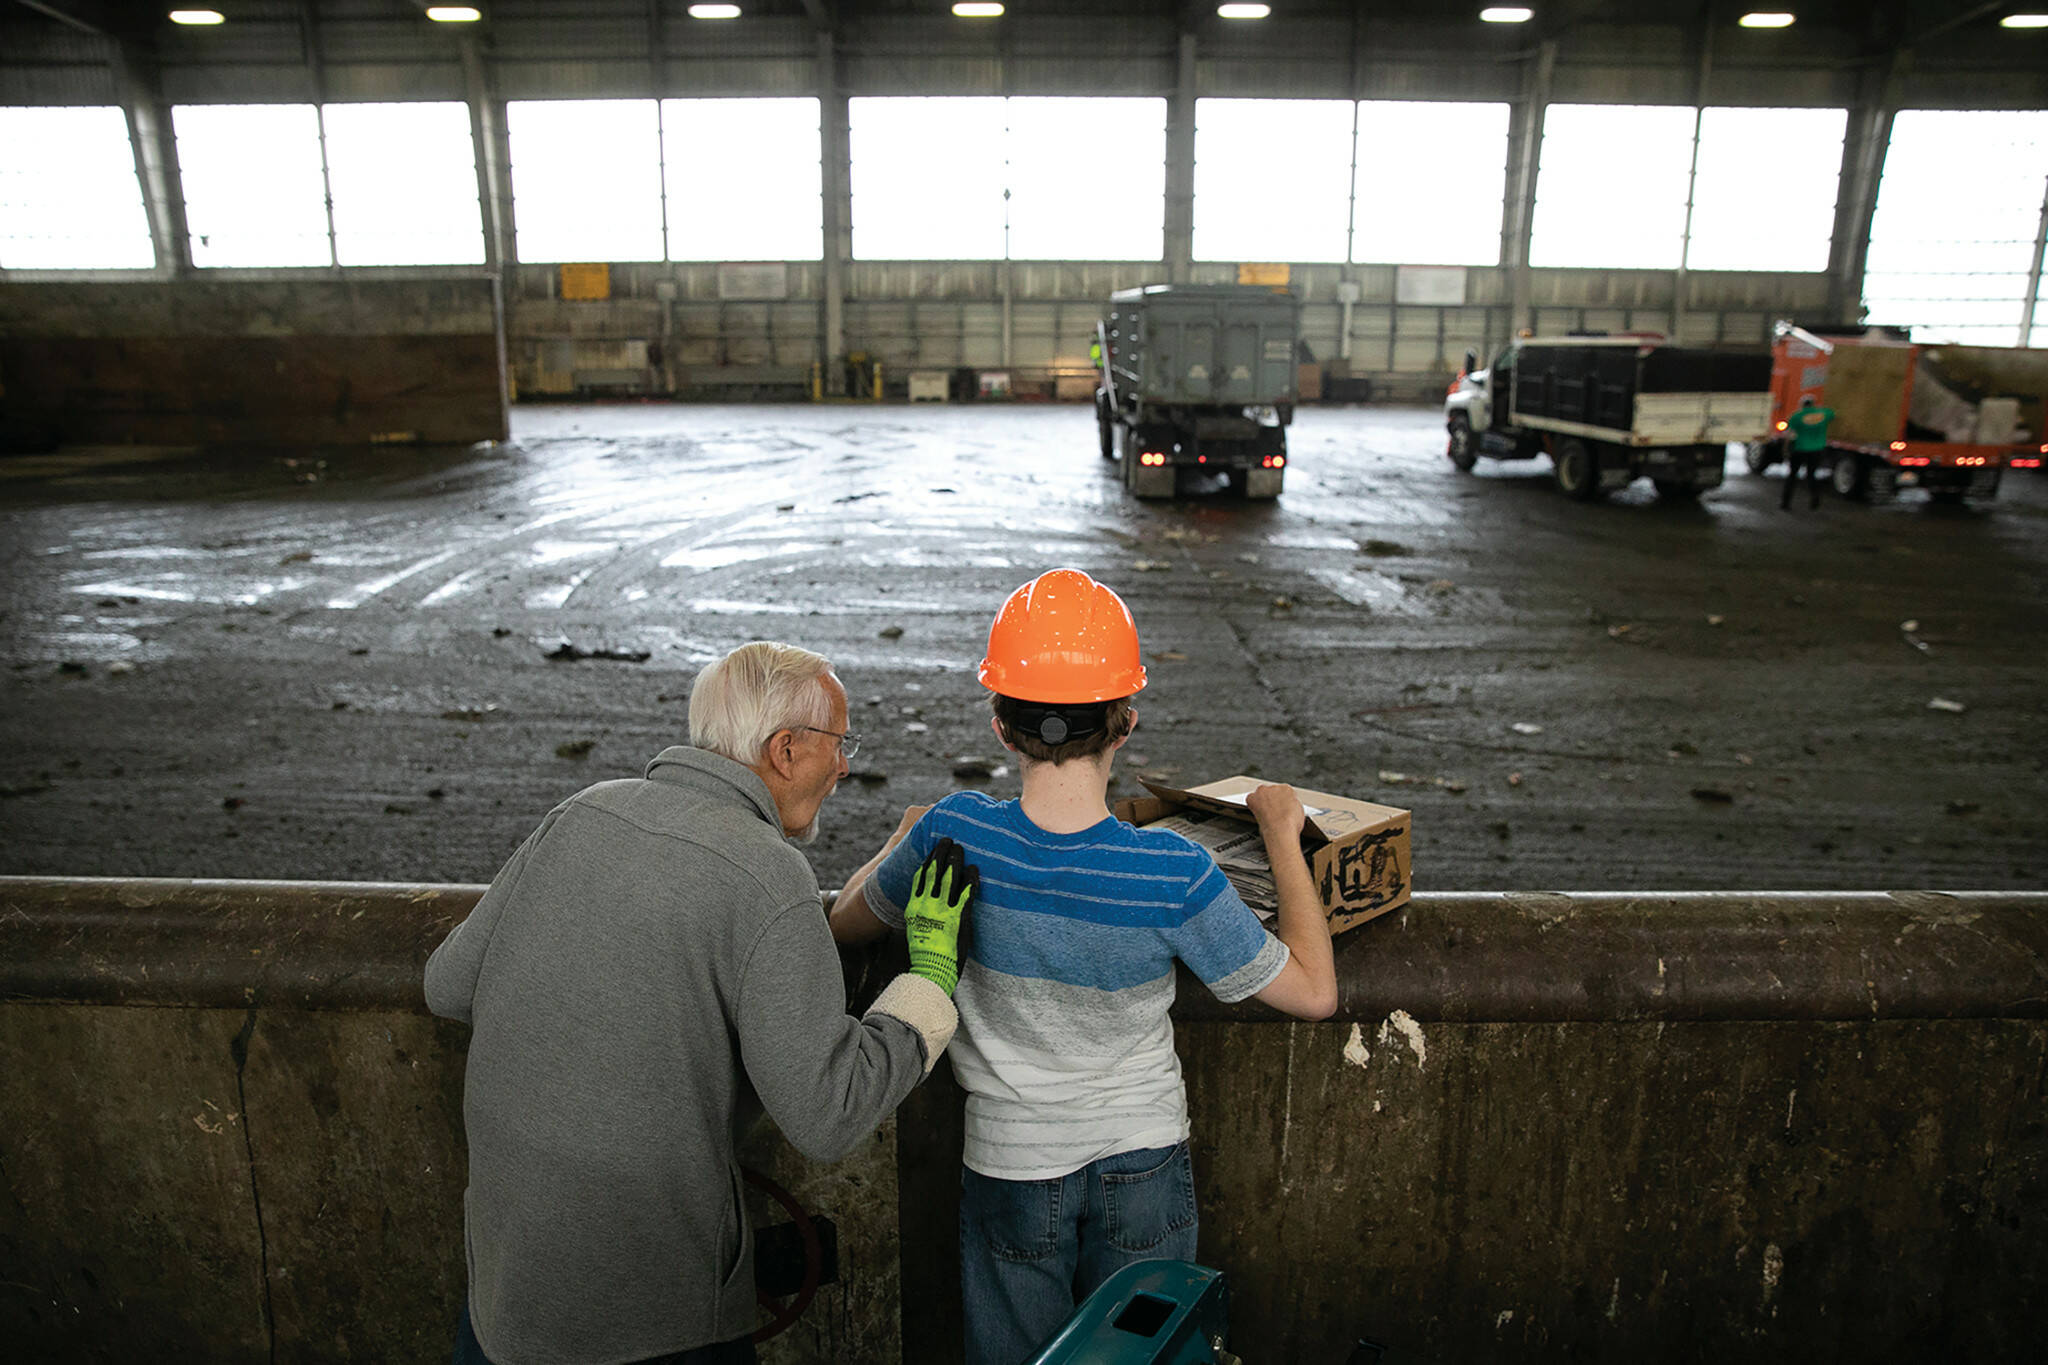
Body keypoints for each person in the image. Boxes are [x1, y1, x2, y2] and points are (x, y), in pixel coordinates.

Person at [827, 568, 1340, 1365]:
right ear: (1125, 722)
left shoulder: (956, 830)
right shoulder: (1173, 870)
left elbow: (845, 921)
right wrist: (1280, 829)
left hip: (1009, 1164)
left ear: (1000, 723)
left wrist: (905, 835)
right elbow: (1314, 992)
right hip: (1143, 1160)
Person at [424, 640, 972, 1365]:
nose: (845, 766)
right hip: (649, 1313)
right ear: (784, 749)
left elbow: (447, 984)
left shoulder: (583, 810)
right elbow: (828, 1111)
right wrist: (929, 979)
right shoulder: (767, 874)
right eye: (840, 744)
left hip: (508, 1287)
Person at [1781, 394, 1835, 510]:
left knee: (1792, 476)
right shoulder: (1824, 414)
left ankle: (1785, 503)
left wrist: (1786, 449)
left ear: (1801, 405)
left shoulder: (1797, 416)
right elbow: (1832, 414)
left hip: (1799, 449)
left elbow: (1790, 434)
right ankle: (1815, 499)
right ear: (1813, 404)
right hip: (1817, 450)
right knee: (1811, 475)